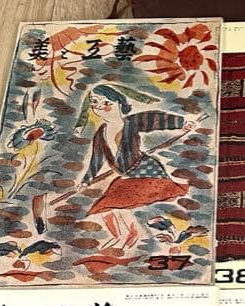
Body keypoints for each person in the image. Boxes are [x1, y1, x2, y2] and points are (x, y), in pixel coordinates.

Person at [80, 84, 193, 249]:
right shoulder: (101, 133)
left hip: (146, 171)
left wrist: (182, 123)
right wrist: (86, 180)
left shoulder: (131, 123)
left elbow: (155, 119)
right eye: (94, 102)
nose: (99, 107)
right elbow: (96, 159)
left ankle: (130, 235)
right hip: (128, 176)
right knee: (106, 206)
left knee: (113, 203)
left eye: (106, 102)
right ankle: (122, 236)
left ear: (119, 103)